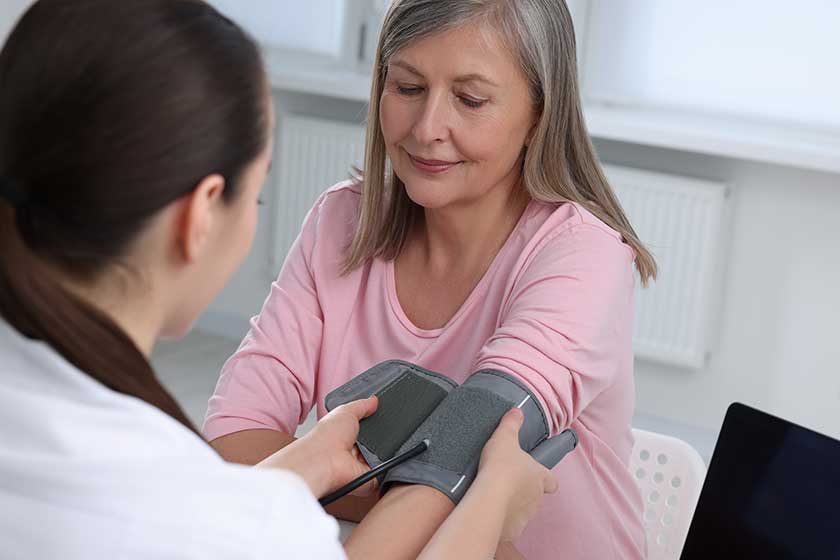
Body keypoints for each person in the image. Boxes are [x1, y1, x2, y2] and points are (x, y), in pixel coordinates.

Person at [0, 1, 556, 558]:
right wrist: (489, 499)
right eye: (257, 193)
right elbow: (226, 479)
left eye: (470, 98)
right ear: (199, 217)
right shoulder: (228, 523)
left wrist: (301, 466)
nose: (429, 128)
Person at [205, 0, 656, 558]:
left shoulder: (583, 255)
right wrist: (445, 504)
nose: (426, 128)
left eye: (470, 100)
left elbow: (457, 452)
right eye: (408, 87)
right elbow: (234, 435)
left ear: (540, 114)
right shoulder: (340, 221)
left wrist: (333, 478)